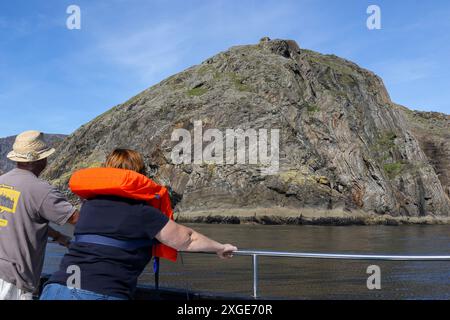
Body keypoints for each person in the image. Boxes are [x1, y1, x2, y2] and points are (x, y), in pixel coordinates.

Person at [40, 149, 237, 300]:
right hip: (98, 292)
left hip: (56, 288)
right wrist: (220, 247)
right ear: (139, 176)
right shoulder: (142, 213)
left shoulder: (89, 207)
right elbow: (187, 239)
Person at [0, 131, 79, 300]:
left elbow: (22, 218)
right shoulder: (42, 190)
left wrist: (58, 236)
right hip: (14, 278)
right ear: (42, 160)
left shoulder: (2, 181)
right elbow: (78, 220)